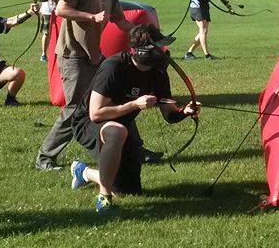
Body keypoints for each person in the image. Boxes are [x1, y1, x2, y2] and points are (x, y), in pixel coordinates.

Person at [70, 24, 200, 215]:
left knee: (127, 190)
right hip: (88, 123)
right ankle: (104, 197)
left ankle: (83, 172)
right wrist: (135, 104)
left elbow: (169, 114)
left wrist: (184, 112)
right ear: (144, 51)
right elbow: (96, 113)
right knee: (118, 131)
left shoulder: (158, 72)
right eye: (160, 47)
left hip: (122, 123)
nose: (164, 52)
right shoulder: (114, 67)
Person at [35, 0, 130, 170]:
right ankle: (45, 157)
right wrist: (91, 17)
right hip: (73, 56)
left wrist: (146, 35)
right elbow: (61, 9)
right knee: (75, 109)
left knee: (113, 101)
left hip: (95, 57)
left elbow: (122, 22)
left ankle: (130, 150)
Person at [37, 0, 69, 64]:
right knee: (47, 33)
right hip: (47, 10)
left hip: (61, 10)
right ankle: (43, 55)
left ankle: (61, 52)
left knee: (63, 31)